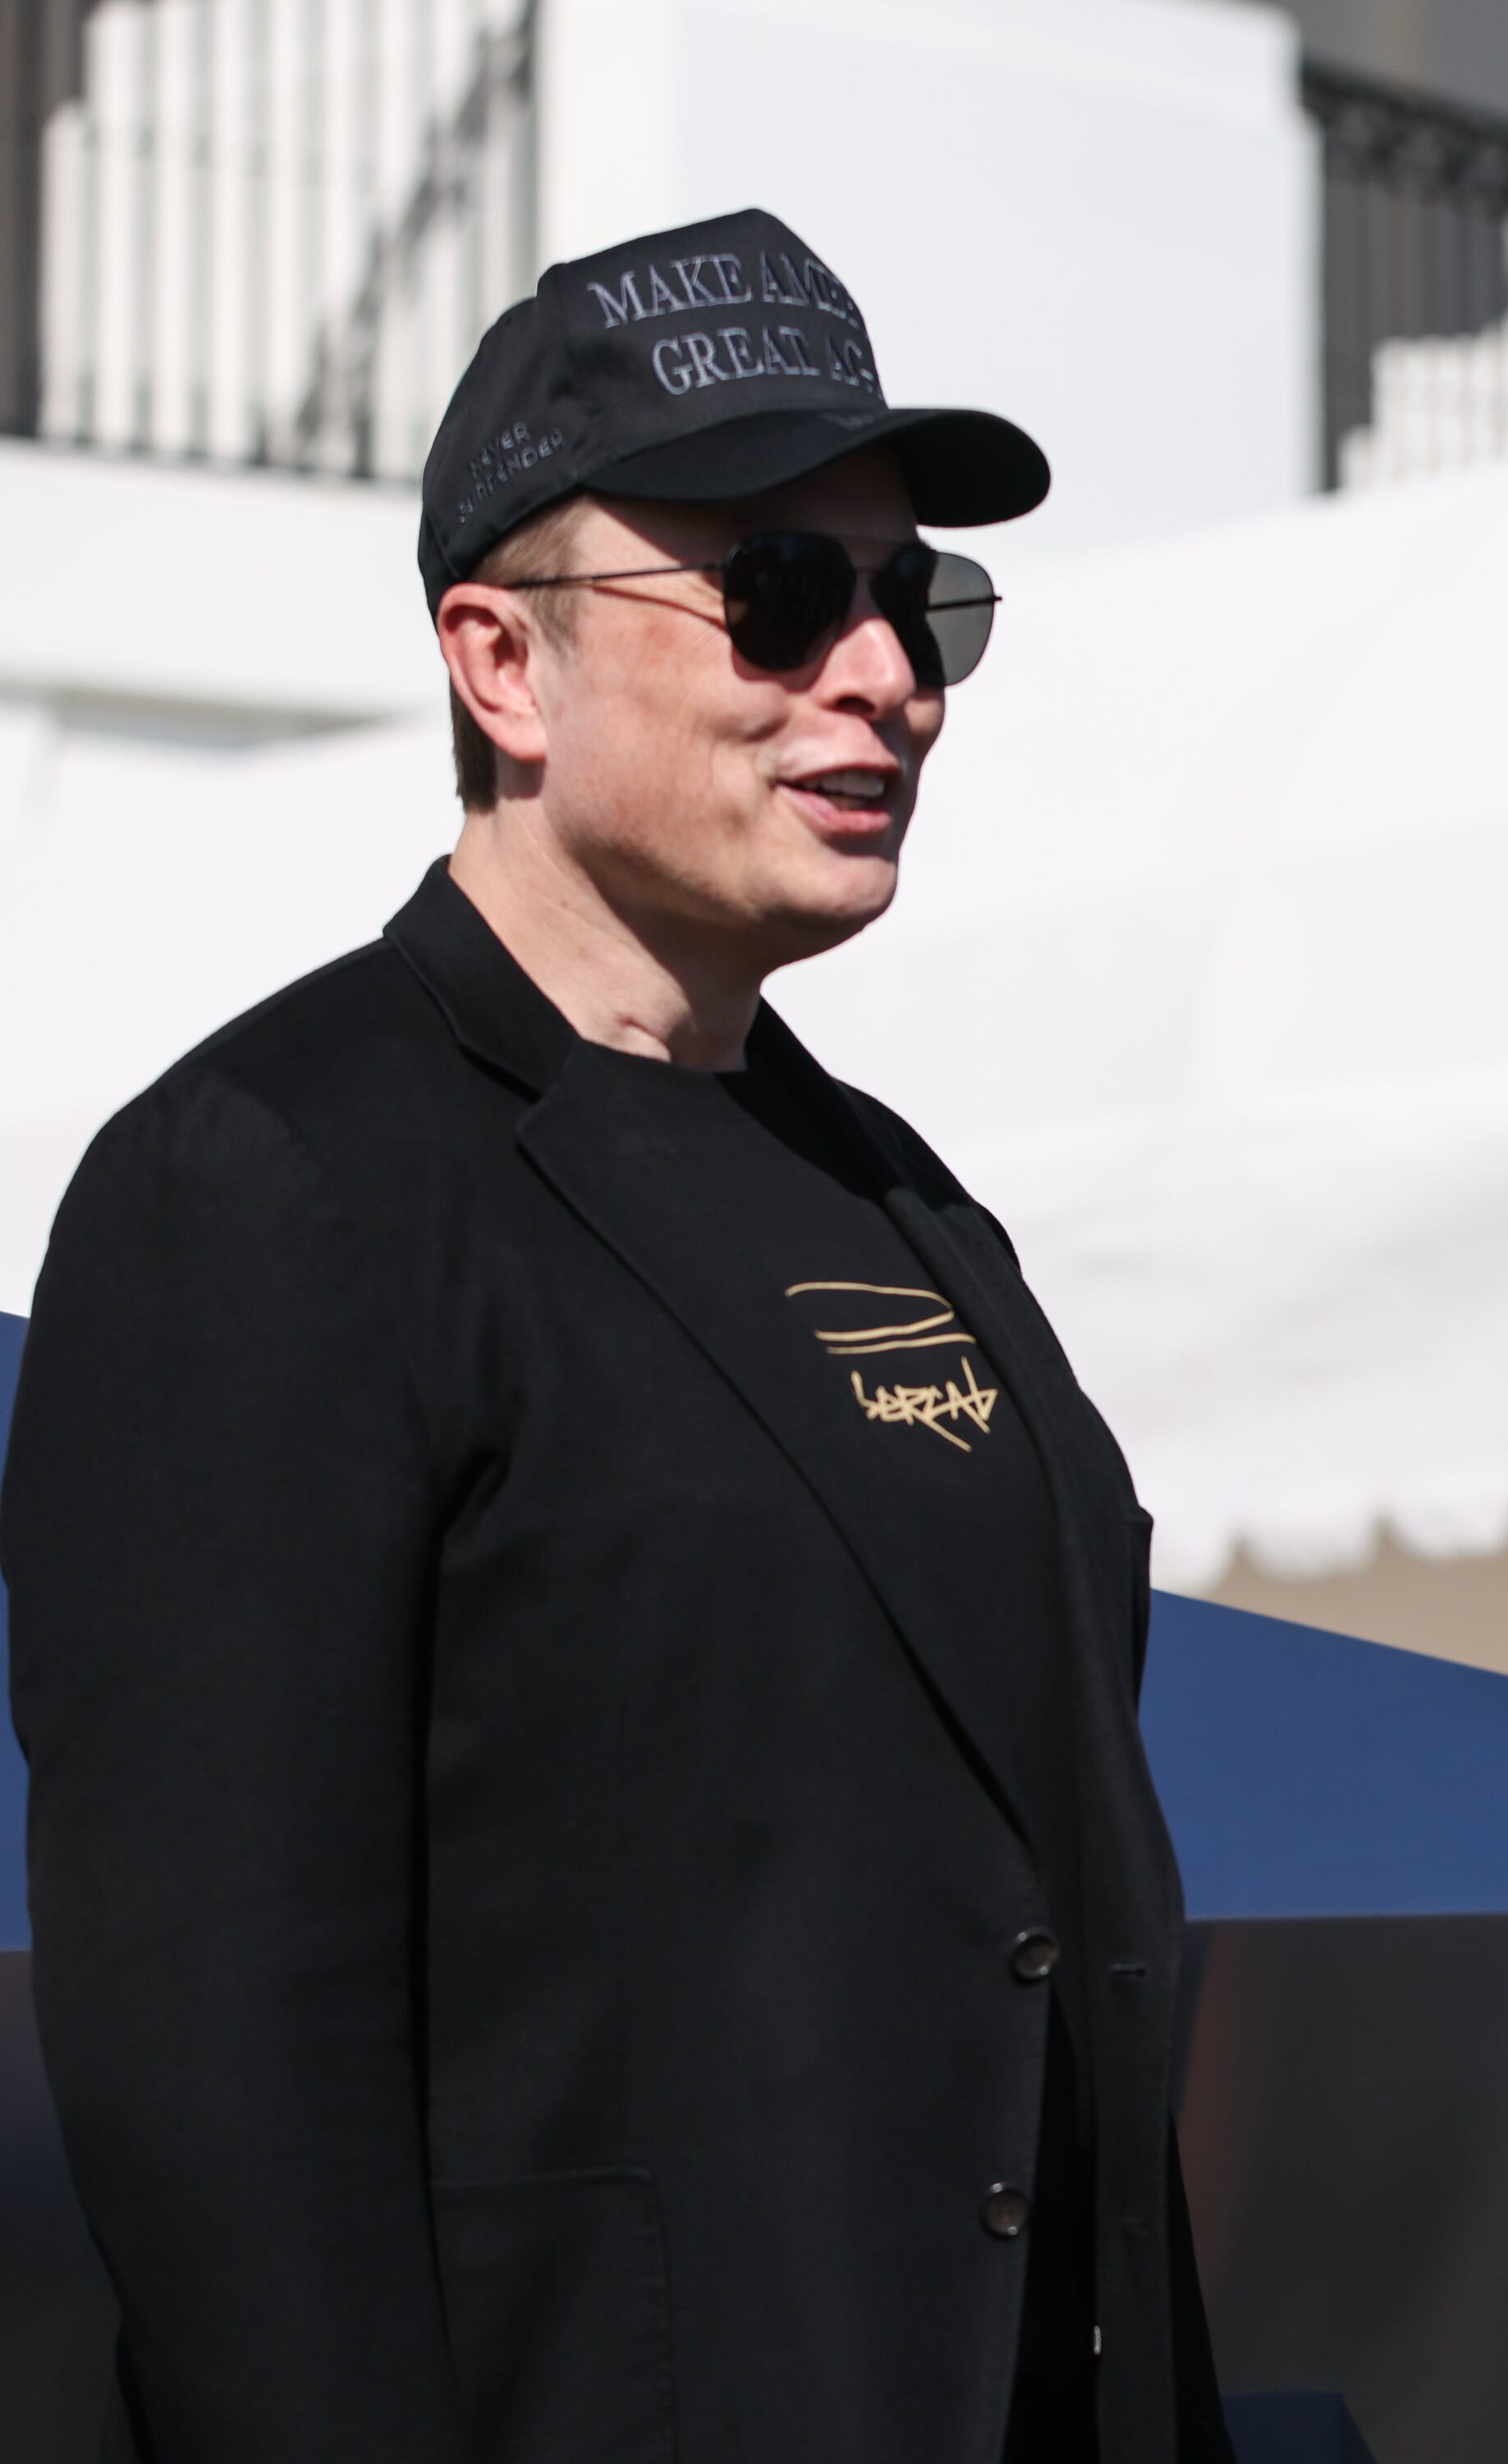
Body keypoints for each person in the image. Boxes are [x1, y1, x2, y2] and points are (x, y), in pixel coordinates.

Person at [0, 210, 1231, 2464]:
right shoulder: (269, 1182)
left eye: (917, 599)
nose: (884, 676)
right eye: (778, 595)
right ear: (502, 663)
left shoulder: (901, 1195)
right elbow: (219, 2066)